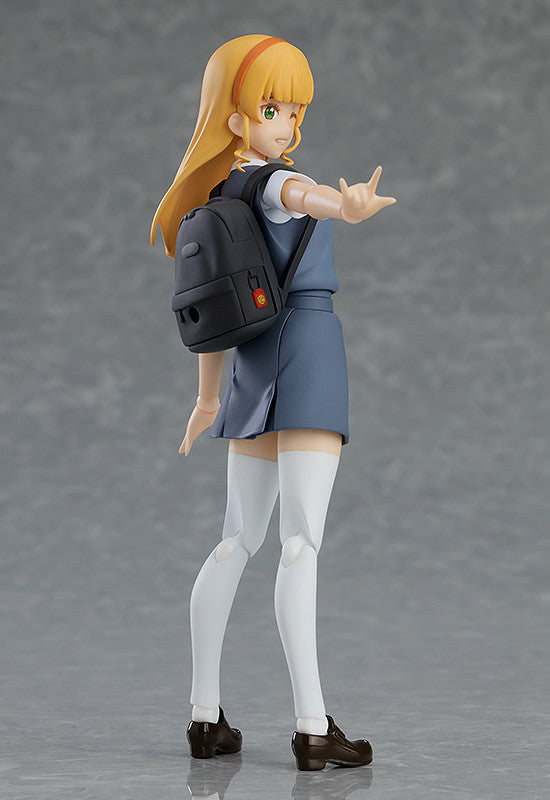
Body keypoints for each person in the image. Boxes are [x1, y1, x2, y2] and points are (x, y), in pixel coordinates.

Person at [151, 34, 396, 770]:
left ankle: (203, 716)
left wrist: (207, 398)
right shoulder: (271, 183)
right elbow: (298, 196)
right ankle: (313, 727)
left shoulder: (217, 198)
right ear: (233, 117)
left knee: (236, 540)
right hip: (309, 354)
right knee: (299, 544)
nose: (287, 123)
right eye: (272, 108)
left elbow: (214, 309)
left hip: (252, 365)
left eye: (294, 110)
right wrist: (344, 206)